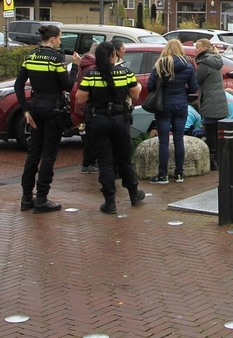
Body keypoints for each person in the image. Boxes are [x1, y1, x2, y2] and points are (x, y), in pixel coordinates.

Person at [76, 42, 145, 214]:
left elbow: (80, 99)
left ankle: (110, 203)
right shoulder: (125, 73)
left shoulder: (91, 75)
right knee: (124, 159)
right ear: (113, 55)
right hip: (120, 120)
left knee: (105, 162)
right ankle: (134, 194)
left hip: (98, 121)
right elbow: (135, 94)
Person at [14, 24, 72, 214]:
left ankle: (26, 198)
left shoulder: (31, 56)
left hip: (35, 107)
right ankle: (41, 199)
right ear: (53, 39)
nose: (60, 41)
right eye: (60, 38)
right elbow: (68, 86)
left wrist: (25, 110)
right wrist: (76, 67)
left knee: (33, 153)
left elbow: (18, 84)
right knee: (48, 155)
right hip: (52, 109)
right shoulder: (57, 58)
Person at [146, 39, 199, 184]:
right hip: (181, 105)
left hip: (163, 106)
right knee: (178, 139)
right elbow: (194, 88)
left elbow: (150, 86)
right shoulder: (188, 66)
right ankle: (179, 174)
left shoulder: (160, 64)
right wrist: (182, 91)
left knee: (163, 141)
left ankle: (162, 175)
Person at [194, 37, 227, 171]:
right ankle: (220, 158)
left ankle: (213, 160)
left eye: (197, 47)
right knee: (218, 131)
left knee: (210, 131)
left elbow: (197, 79)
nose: (195, 50)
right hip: (219, 99)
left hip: (209, 100)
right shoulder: (215, 60)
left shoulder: (204, 63)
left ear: (204, 49)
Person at [72, 43, 99, 174]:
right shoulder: (93, 68)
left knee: (87, 134)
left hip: (83, 106)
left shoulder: (85, 64)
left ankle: (89, 162)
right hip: (88, 106)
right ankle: (89, 163)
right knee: (91, 136)